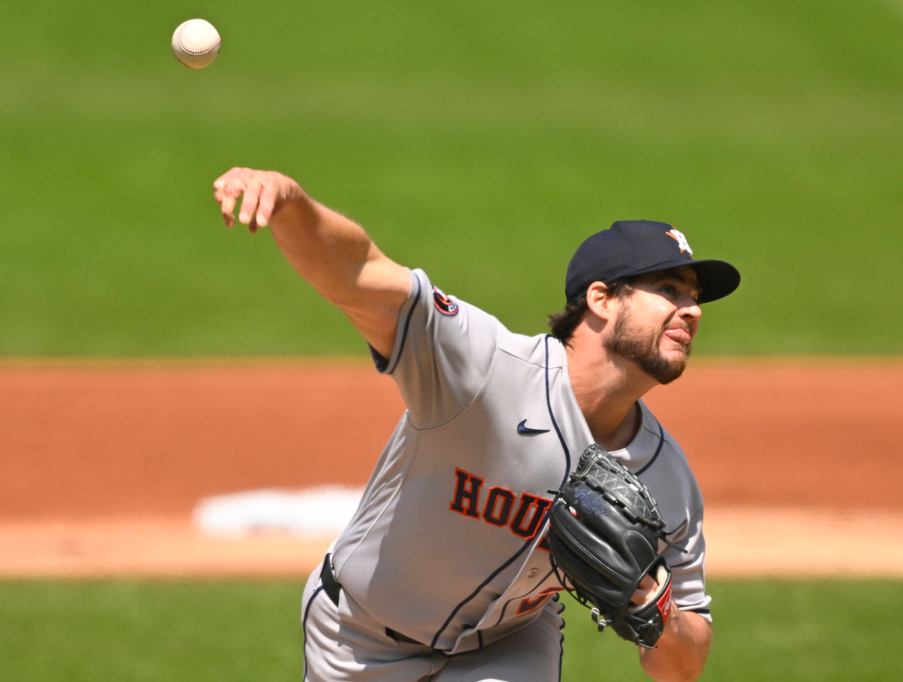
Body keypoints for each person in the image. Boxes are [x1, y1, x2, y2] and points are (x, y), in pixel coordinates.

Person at [213, 167, 741, 682]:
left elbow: (684, 665)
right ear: (601, 299)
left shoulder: (666, 476)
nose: (692, 310)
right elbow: (360, 273)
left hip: (509, 649)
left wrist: (656, 606)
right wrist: (291, 203)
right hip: (360, 638)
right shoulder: (486, 367)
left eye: (694, 297)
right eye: (670, 289)